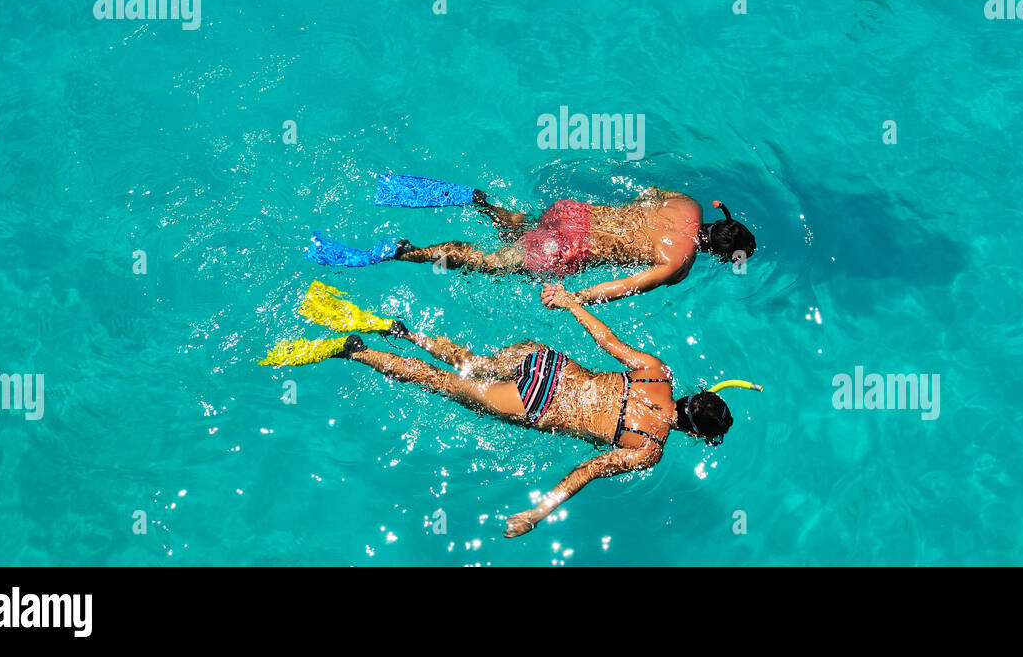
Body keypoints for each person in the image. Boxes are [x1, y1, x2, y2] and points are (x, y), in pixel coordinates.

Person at [324, 283, 735, 537]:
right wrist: (536, 514)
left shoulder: (657, 373)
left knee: (473, 363)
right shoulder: (648, 448)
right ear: (695, 432)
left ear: (693, 397)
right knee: (441, 383)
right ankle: (357, 352)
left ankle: (403, 331)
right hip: (538, 403)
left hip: (547, 362)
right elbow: (587, 471)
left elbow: (606, 340)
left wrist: (569, 302)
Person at [395, 187, 756, 304]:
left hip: (572, 212)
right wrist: (575, 298)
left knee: (529, 228)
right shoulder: (679, 260)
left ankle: (482, 202)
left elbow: (647, 195)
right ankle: (410, 251)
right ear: (718, 254)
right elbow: (622, 287)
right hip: (571, 246)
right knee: (491, 261)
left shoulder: (687, 202)